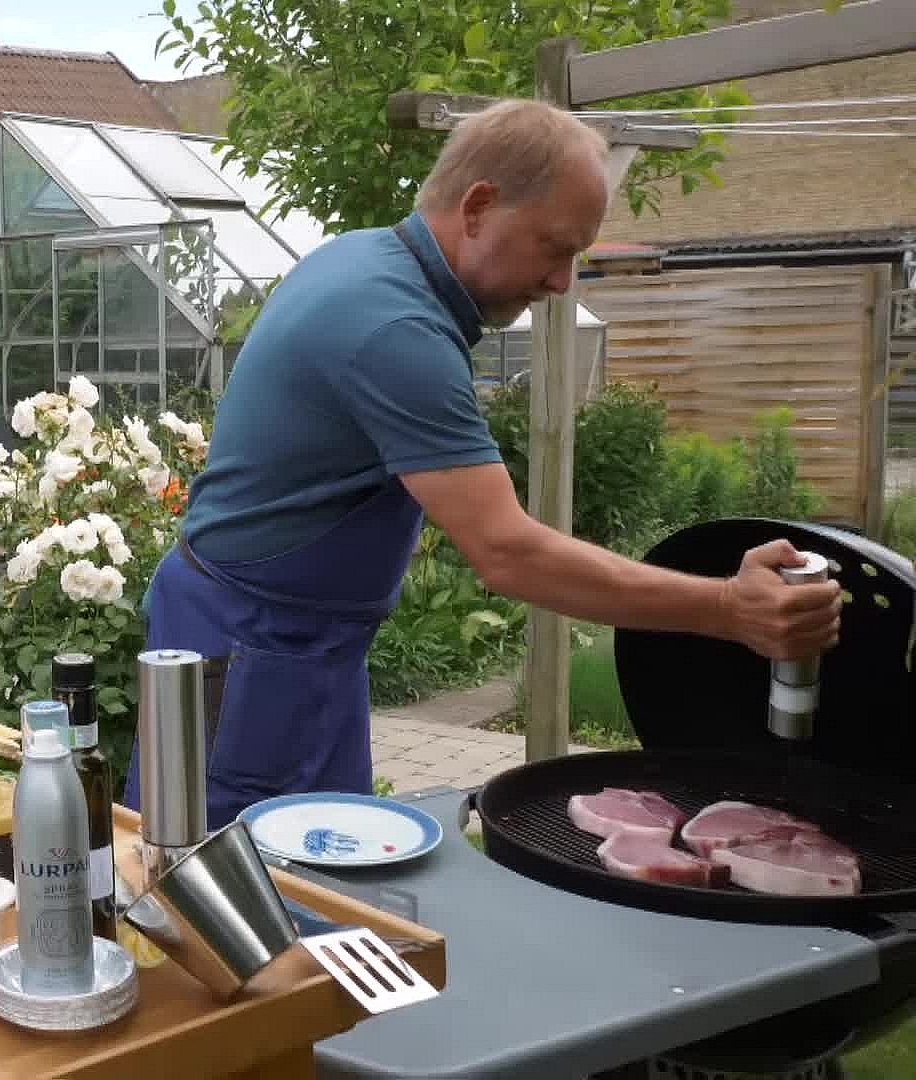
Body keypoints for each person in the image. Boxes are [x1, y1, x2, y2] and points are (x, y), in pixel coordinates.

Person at [119, 100, 843, 826]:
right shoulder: (394, 324)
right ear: (479, 206)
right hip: (248, 653)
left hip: (293, 652)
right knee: (225, 901)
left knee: (324, 888)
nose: (562, 282)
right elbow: (506, 552)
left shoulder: (365, 259)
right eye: (555, 249)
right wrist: (726, 608)